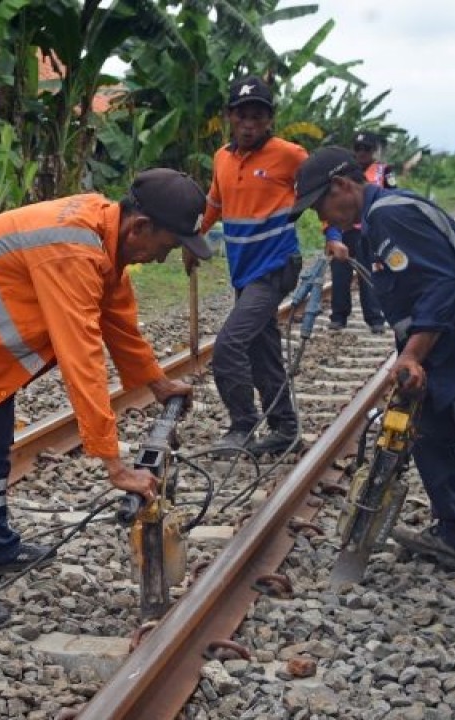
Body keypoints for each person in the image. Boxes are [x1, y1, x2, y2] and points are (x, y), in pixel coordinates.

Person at [0, 169, 205, 626]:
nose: (164, 257)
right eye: (167, 245)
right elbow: (81, 355)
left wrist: (158, 383)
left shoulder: (104, 243)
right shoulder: (72, 249)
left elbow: (120, 326)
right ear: (139, 228)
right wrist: (113, 462)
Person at [292, 146, 455, 648]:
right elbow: (407, 298)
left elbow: (444, 285)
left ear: (343, 186)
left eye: (321, 204)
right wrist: (413, 359)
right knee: (425, 431)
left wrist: (412, 356)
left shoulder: (392, 215)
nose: (321, 216)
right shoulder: (371, 230)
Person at [200, 75, 306, 457]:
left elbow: (321, 187)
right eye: (242, 115)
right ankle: (285, 428)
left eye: (257, 116)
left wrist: (334, 236)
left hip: (275, 266)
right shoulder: (222, 158)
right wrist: (194, 238)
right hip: (243, 270)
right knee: (263, 350)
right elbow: (214, 202)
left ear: (269, 120)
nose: (249, 124)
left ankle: (242, 427)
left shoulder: (289, 154)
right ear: (230, 116)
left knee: (229, 346)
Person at [325, 130, 391, 332]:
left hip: (370, 233)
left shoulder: (384, 172)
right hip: (344, 231)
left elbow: (391, 200)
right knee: (340, 276)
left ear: (374, 150)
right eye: (358, 149)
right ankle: (338, 317)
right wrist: (332, 235)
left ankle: (375, 319)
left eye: (367, 149)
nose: (362, 153)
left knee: (371, 276)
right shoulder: (341, 171)